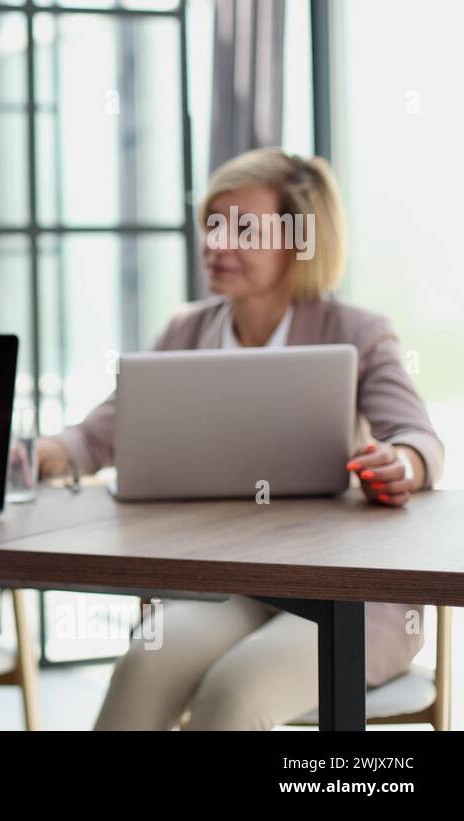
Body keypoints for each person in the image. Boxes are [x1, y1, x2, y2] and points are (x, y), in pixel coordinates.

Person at [35, 148, 445, 730]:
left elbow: (418, 440)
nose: (217, 243)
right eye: (212, 224)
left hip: (350, 603)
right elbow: (96, 437)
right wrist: (40, 451)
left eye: (244, 228)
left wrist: (401, 461)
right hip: (231, 587)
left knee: (233, 694)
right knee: (142, 667)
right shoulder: (187, 330)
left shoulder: (357, 332)